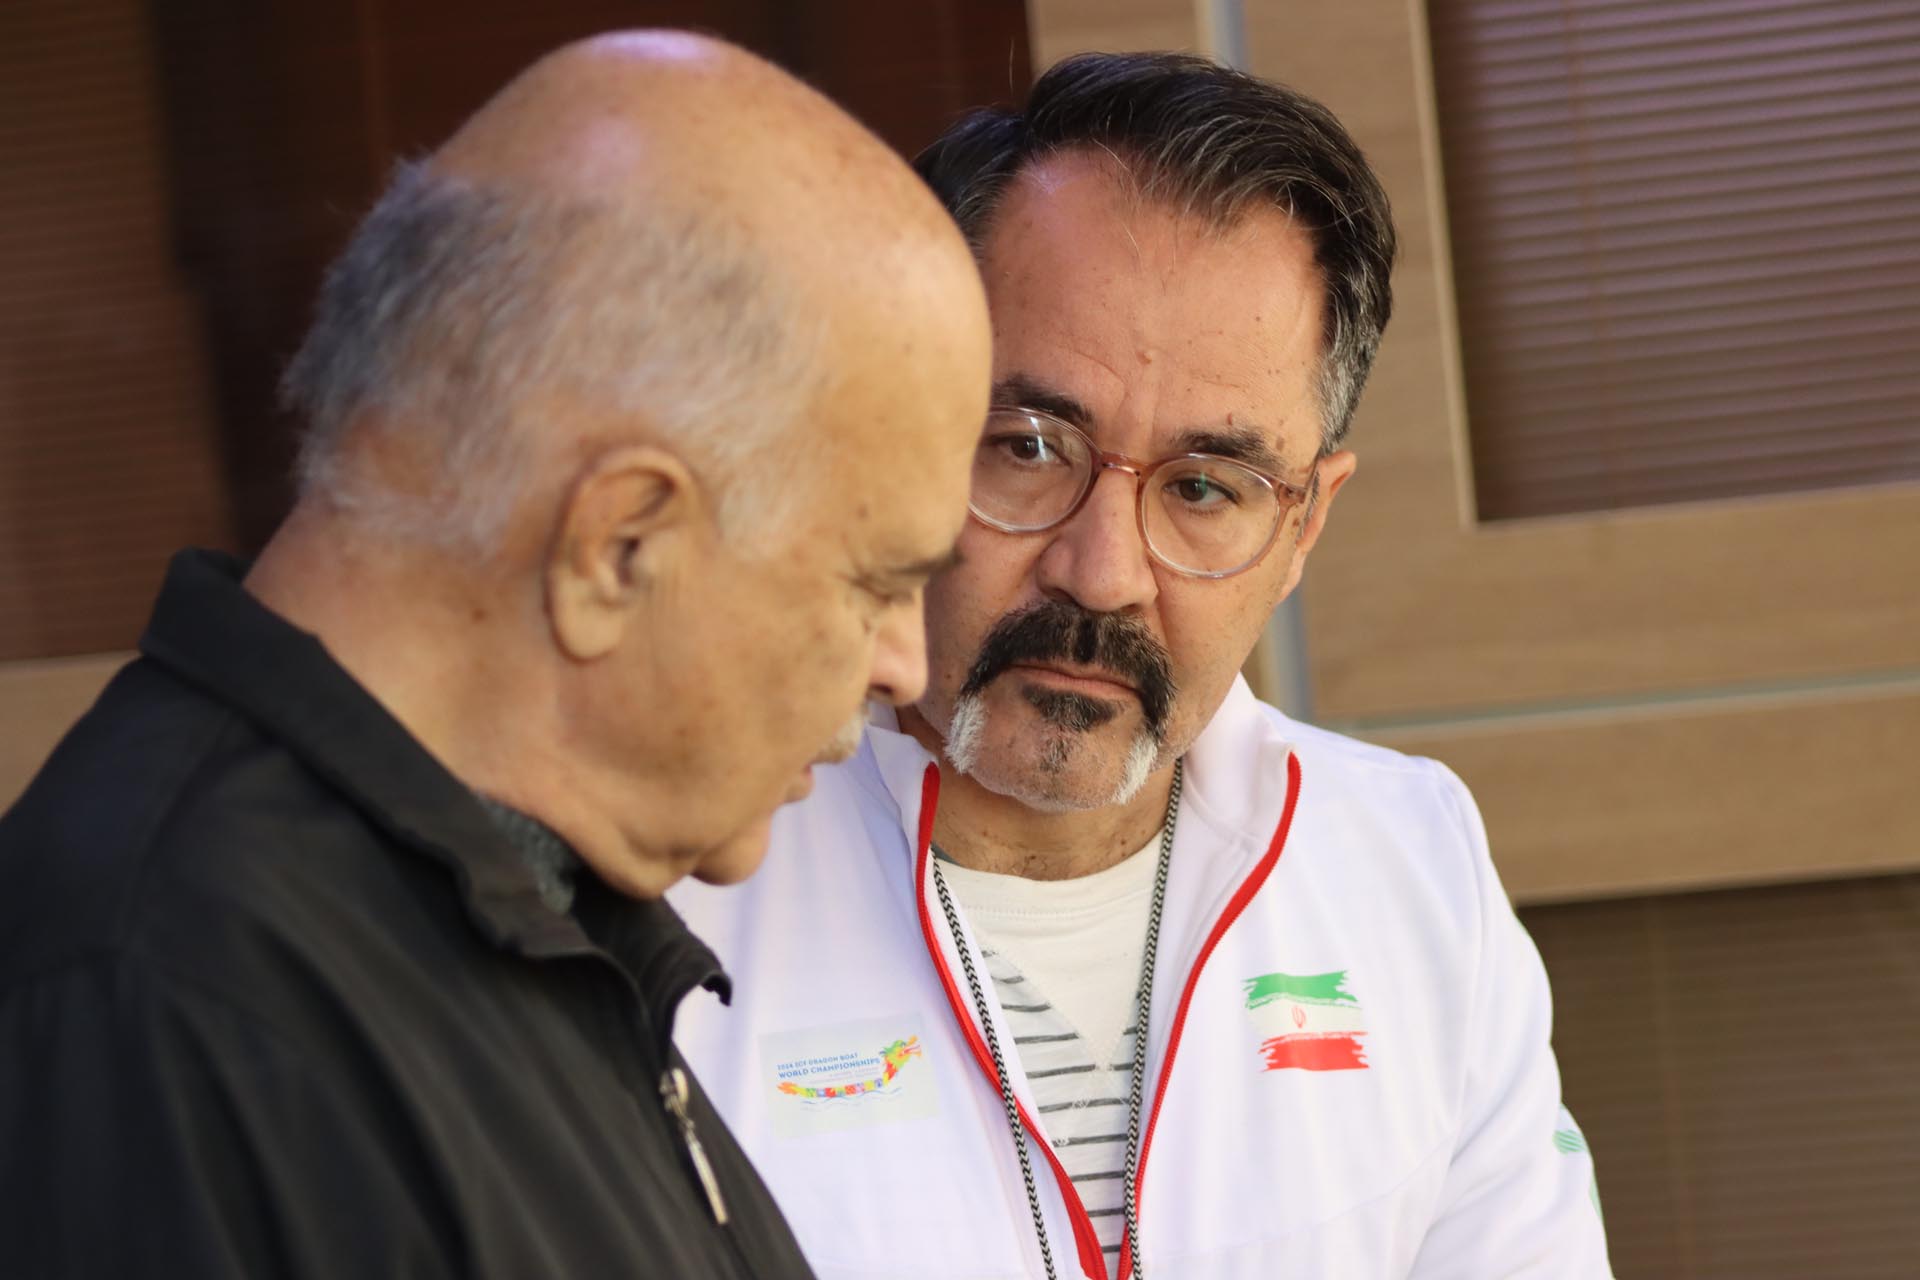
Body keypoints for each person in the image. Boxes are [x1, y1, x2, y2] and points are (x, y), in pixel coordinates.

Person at [0, 30, 990, 1279]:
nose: (905, 663)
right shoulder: (167, 1016)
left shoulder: (503, 915)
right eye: (875, 582)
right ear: (617, 546)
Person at [671, 51, 1613, 1279]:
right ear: (895, 424)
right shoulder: (672, 876)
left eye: (1206, 487)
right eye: (1028, 446)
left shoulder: (1410, 866)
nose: (1102, 570)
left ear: (1303, 527)